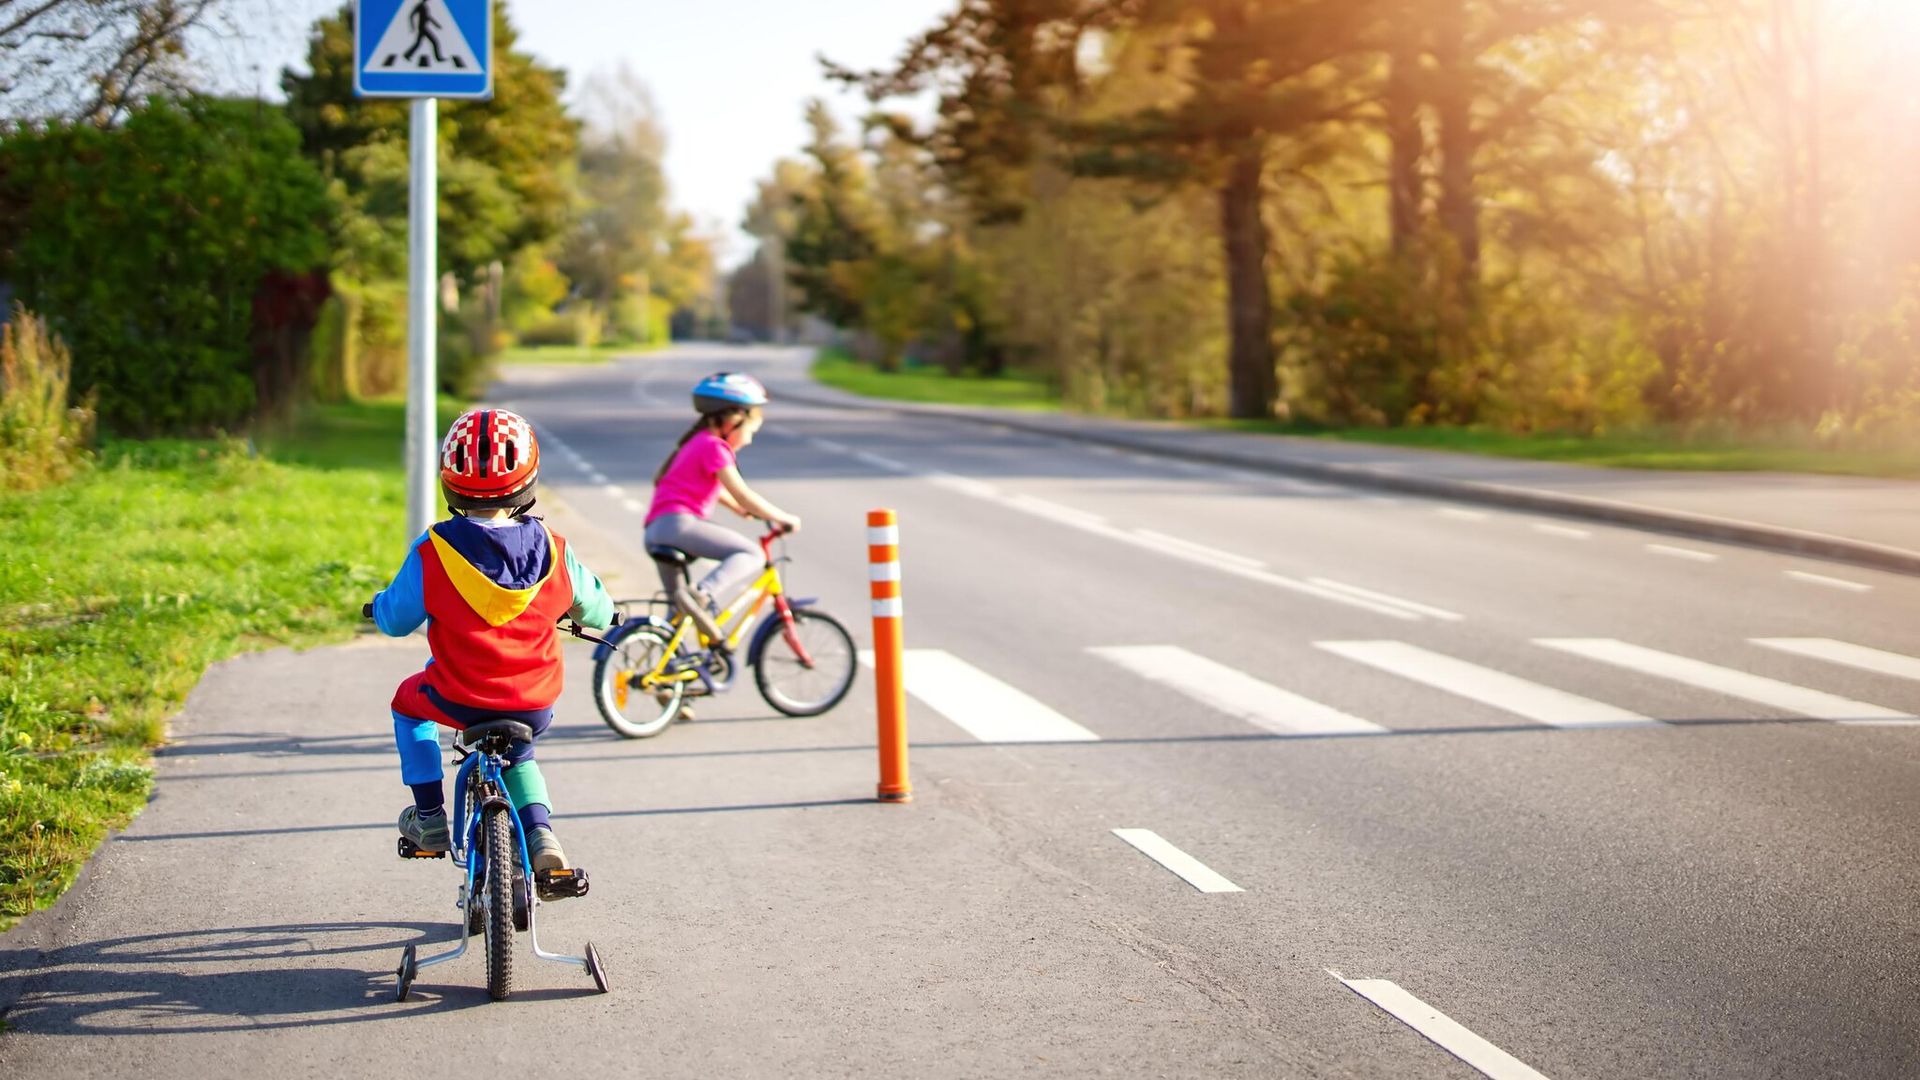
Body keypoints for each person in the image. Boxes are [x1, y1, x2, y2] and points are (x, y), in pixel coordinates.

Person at [371, 408, 615, 873]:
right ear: (529, 479)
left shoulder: (434, 551)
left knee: (407, 705)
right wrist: (600, 611)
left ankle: (429, 817)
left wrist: (379, 606)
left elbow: (395, 620)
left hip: (458, 697)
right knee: (520, 757)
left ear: (450, 479)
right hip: (532, 702)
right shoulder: (554, 549)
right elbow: (598, 610)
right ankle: (542, 833)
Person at [642, 373, 801, 643]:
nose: (749, 440)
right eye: (750, 431)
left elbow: (701, 486)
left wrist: (737, 510)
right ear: (732, 420)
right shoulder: (715, 447)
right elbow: (743, 494)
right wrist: (783, 517)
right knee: (751, 553)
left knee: (676, 616)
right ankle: (702, 594)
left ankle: (664, 671)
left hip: (657, 530)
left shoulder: (695, 443)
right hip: (679, 525)